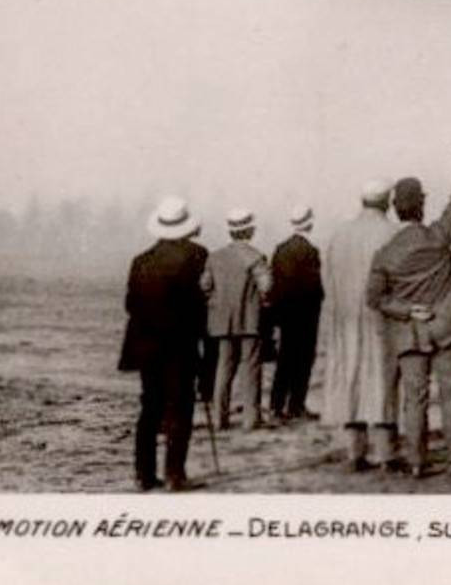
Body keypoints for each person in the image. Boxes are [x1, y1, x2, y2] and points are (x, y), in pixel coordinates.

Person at [367, 144, 451, 479]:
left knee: (413, 400)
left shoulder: (385, 253)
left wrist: (406, 310)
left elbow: (374, 297)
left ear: (394, 209)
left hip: (409, 333)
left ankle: (417, 463)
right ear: (421, 205)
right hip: (448, 329)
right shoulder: (438, 236)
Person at [118, 196, 209, 492]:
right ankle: (174, 475)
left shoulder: (140, 260)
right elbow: (202, 302)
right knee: (180, 407)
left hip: (147, 346)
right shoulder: (198, 255)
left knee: (150, 408)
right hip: (180, 345)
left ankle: (143, 475)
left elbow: (130, 304)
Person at [320, 180, 402, 472]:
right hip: (381, 316)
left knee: (350, 377)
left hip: (346, 317)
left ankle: (355, 450)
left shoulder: (339, 235)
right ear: (387, 201)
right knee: (383, 380)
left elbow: (327, 280)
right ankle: (386, 453)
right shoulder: (393, 233)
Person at [202, 209, 273, 430]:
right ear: (249, 230)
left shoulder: (215, 257)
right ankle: (250, 419)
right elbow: (267, 285)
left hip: (222, 321)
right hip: (250, 321)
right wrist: (262, 299)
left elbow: (205, 285)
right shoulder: (255, 256)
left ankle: (219, 419)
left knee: (223, 369)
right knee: (250, 369)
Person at [268, 204, 324, 420]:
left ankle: (276, 404)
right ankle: (296, 405)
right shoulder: (310, 251)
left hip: (284, 314)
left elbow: (275, 285)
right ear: (309, 223)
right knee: (303, 360)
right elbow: (314, 287)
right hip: (306, 315)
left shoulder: (280, 249)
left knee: (285, 359)